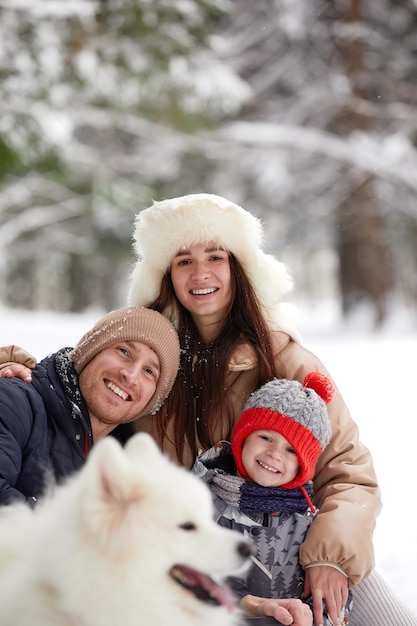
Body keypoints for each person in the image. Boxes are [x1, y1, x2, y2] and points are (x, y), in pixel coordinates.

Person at [2, 193, 416, 626]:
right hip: (202, 558)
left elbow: (348, 471)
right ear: (167, 275)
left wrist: (330, 557)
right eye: (183, 261)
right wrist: (13, 363)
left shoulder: (288, 363)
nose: (200, 273)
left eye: (215, 257)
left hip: (296, 548)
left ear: (238, 268)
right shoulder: (153, 362)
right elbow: (82, 379)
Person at [192, 372, 352, 626]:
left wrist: (312, 618)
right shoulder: (204, 502)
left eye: (291, 450)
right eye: (265, 437)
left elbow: (335, 603)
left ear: (304, 465)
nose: (274, 454)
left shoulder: (308, 522)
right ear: (243, 437)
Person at [0, 306, 180, 505]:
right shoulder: (14, 401)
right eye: (124, 351)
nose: (130, 376)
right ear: (90, 351)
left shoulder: (121, 469)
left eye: (149, 371)